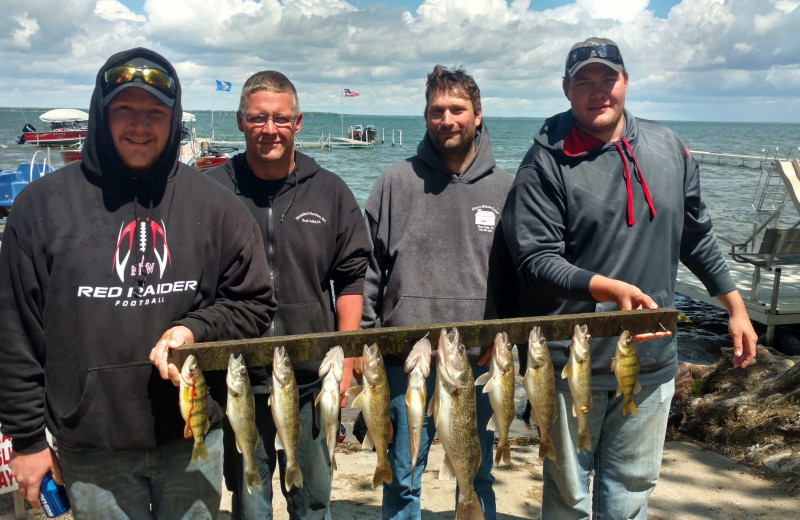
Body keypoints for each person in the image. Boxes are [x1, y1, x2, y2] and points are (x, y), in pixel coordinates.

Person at [0, 47, 277, 519]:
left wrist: (195, 330)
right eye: (124, 109)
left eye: (155, 112)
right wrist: (26, 441)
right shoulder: (40, 207)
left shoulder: (215, 206)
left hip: (191, 434)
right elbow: (14, 334)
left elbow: (253, 302)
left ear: (173, 120)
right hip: (91, 444)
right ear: (100, 112)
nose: (140, 125)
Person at [500, 37, 758, 518]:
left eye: (608, 79)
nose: (598, 91)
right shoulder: (544, 162)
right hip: (570, 363)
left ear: (626, 81)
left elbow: (697, 237)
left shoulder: (669, 147)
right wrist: (608, 288)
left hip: (654, 360)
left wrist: (736, 308)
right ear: (565, 89)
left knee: (631, 493)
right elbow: (535, 258)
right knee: (569, 499)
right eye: (584, 82)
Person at [207, 70, 371, 520]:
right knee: (250, 501)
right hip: (237, 377)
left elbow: (352, 276)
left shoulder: (331, 191)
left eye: (280, 119)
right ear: (241, 121)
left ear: (298, 123)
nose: (269, 129)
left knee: (313, 497)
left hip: (312, 375)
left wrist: (349, 349)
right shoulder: (212, 191)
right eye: (258, 118)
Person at [362, 64, 513, 520]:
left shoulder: (507, 188)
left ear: (478, 115)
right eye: (436, 110)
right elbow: (368, 269)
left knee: (475, 468)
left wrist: (505, 335)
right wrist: (363, 338)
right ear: (425, 117)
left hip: (477, 359)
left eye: (457, 109)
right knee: (404, 473)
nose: (447, 119)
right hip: (403, 356)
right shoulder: (395, 181)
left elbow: (517, 276)